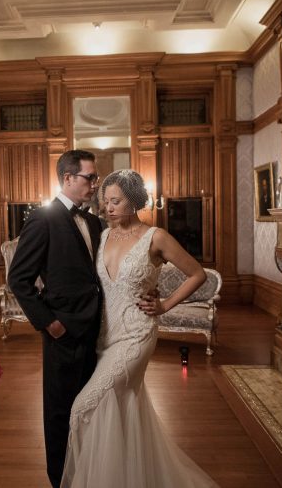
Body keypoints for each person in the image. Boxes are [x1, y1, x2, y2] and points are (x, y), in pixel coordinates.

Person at [61, 169, 219, 488]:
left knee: (83, 407)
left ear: (134, 201)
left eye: (116, 201)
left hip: (137, 335)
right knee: (117, 408)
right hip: (104, 336)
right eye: (105, 201)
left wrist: (164, 304)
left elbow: (197, 274)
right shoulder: (103, 235)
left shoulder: (155, 237)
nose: (108, 208)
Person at [7, 149, 104, 488]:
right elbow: (18, 278)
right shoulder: (43, 219)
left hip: (96, 329)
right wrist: (50, 323)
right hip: (63, 331)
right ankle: (60, 479)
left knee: (90, 405)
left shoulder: (94, 222)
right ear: (68, 178)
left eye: (95, 177)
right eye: (90, 177)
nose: (95, 183)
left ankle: (88, 472)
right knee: (60, 410)